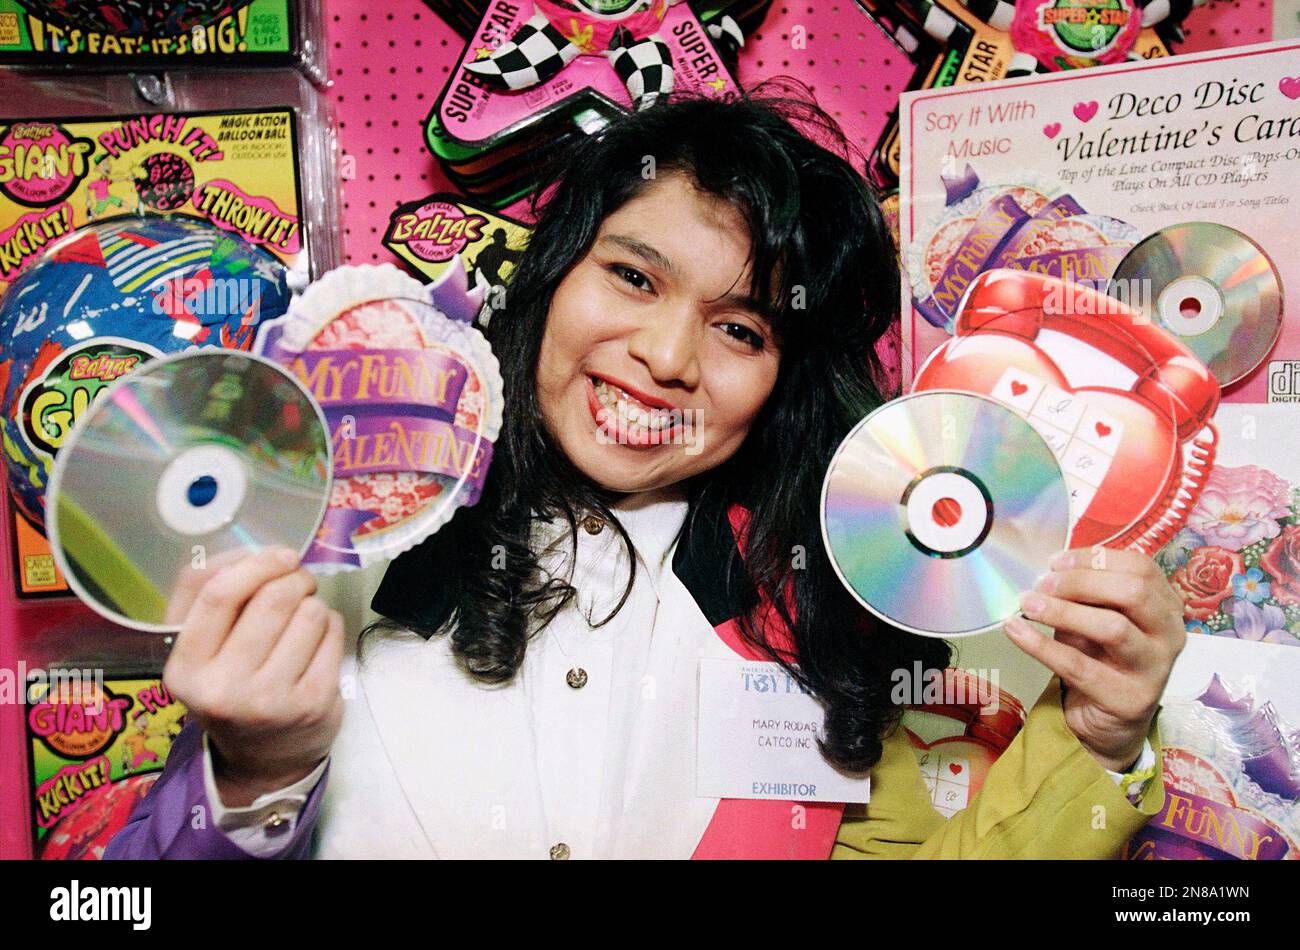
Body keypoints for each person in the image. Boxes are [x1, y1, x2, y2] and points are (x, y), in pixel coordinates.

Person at [105, 84, 1184, 860]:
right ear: (549, 275)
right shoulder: (334, 545)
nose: (667, 357)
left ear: (782, 379)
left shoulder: (813, 605)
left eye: (739, 327)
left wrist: (1100, 742)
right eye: (631, 274)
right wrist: (254, 776)